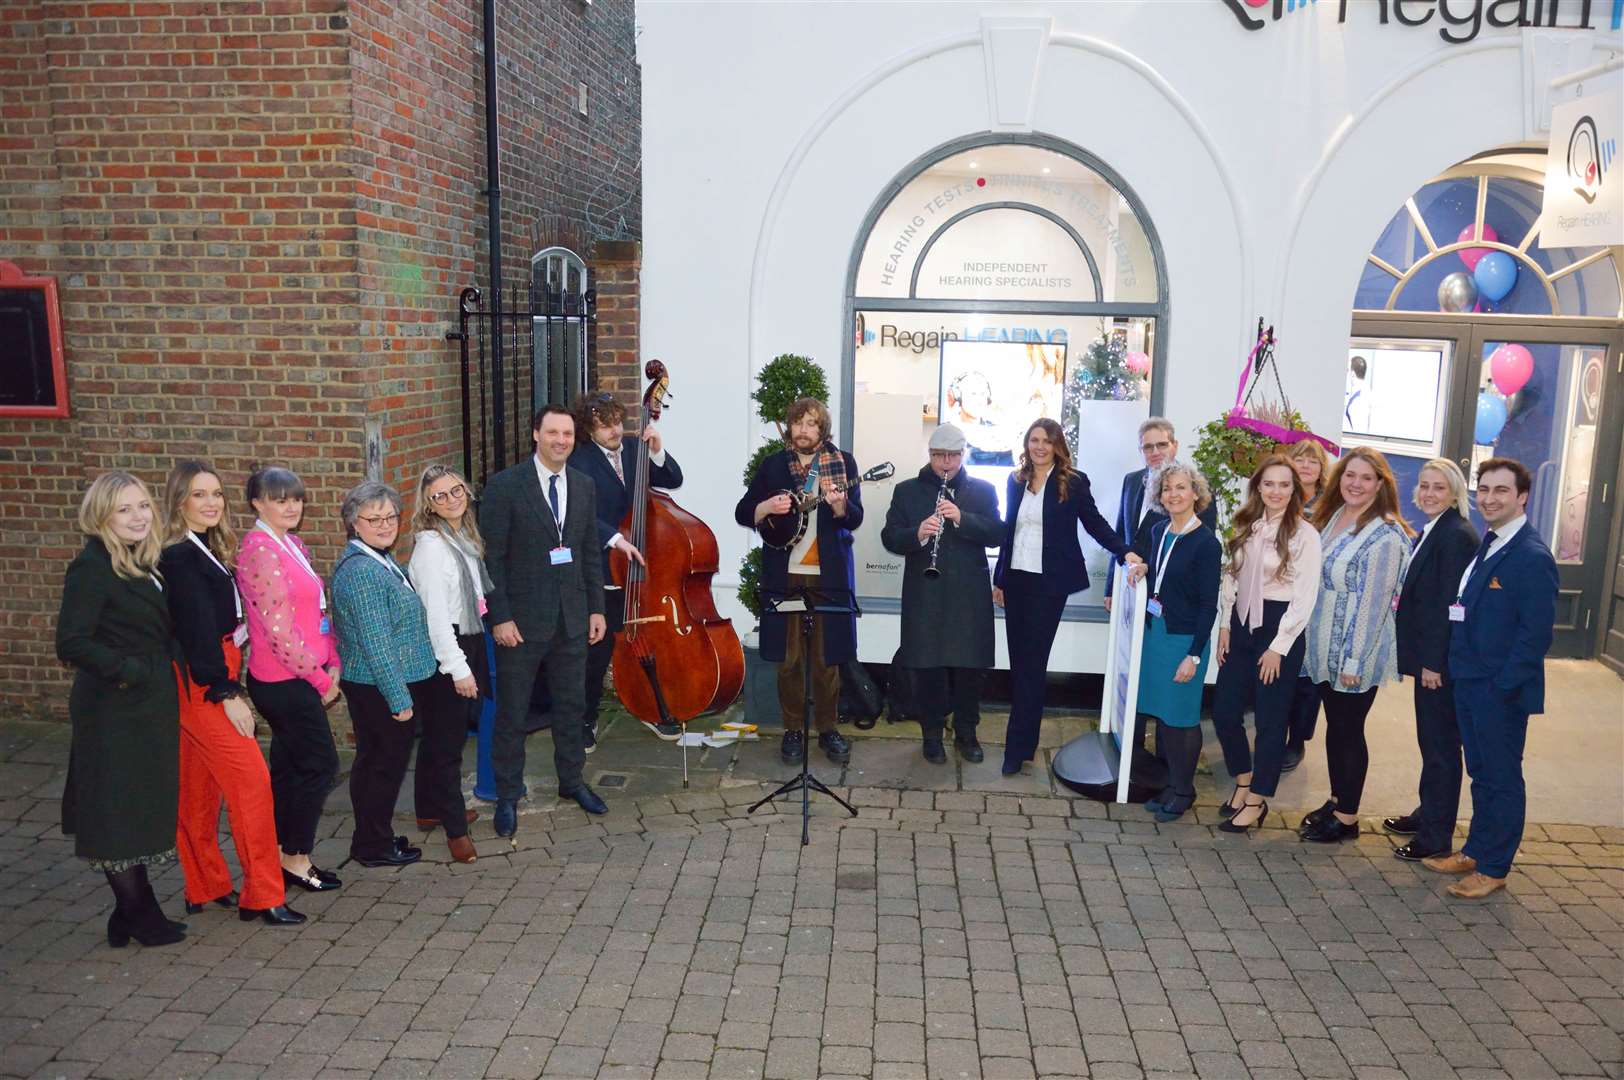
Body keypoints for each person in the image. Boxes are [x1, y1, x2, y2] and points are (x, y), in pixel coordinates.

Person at [159, 461, 302, 926]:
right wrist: (226, 692)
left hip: (207, 674)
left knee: (198, 787)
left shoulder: (201, 547)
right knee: (252, 784)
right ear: (179, 500)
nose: (211, 503)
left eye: (217, 494)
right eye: (199, 494)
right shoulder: (181, 556)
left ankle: (205, 884)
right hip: (204, 681)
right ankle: (262, 894)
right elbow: (196, 630)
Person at [56, 472, 186, 948]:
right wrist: (132, 670)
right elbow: (71, 642)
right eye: (124, 509)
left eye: (143, 506)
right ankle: (140, 914)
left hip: (145, 705)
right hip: (113, 707)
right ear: (102, 516)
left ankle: (130, 912)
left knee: (133, 808)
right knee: (115, 812)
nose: (138, 516)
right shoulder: (91, 567)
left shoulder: (140, 561)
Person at [1425, 458, 1557, 899]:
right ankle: (1477, 850)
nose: (1489, 498)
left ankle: (1495, 866)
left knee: (1501, 777)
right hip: (1470, 680)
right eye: (1484, 489)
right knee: (1481, 773)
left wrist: (1502, 687)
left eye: (1501, 490)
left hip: (1498, 689)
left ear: (1522, 497)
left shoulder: (1531, 556)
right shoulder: (1492, 541)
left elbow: (1535, 635)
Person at [483, 404, 610, 835]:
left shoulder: (584, 485)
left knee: (572, 707)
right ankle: (507, 794)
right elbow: (492, 560)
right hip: (520, 623)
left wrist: (596, 608)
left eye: (568, 434)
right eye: (552, 432)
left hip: (572, 620)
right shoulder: (505, 487)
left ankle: (571, 782)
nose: (561, 441)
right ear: (535, 434)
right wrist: (499, 617)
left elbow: (590, 551)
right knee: (513, 713)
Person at [992, 418, 1134, 776]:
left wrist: (1124, 552)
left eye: (1046, 441)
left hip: (1048, 585)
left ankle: (1016, 748)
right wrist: (999, 579)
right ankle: (1022, 745)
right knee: (1020, 664)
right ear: (1027, 444)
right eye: (1034, 440)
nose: (1039, 446)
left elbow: (1095, 522)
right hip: (1017, 581)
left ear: (1058, 446)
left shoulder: (1071, 482)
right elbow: (1009, 530)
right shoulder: (1016, 481)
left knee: (1032, 664)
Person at [735, 397, 863, 767]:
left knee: (827, 659)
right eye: (798, 423)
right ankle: (793, 729)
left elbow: (853, 518)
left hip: (829, 576)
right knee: (789, 659)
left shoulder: (843, 464)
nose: (804, 430)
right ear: (790, 428)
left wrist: (839, 506)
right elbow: (744, 510)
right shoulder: (775, 466)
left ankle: (827, 729)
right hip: (785, 574)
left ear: (823, 430)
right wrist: (765, 509)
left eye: (812, 424)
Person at [1299, 447, 1414, 843]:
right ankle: (1337, 799)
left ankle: (1347, 819)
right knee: (1336, 727)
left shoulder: (1385, 533)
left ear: (1380, 484)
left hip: (1355, 649)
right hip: (1324, 641)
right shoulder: (1331, 516)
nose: (1356, 484)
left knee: (1349, 730)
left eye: (1366, 478)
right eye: (1350, 475)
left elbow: (1373, 603)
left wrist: (1353, 658)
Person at [238, 466, 343, 895]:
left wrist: (332, 655)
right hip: (284, 682)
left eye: (295, 499)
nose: (291, 506)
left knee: (289, 770)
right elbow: (279, 633)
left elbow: (314, 612)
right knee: (320, 766)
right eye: (280, 499)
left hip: (304, 674)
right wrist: (321, 680)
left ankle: (280, 852)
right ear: (257, 503)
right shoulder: (261, 550)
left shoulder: (291, 543)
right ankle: (295, 859)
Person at [330, 480, 440, 869]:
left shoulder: (381, 559)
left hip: (381, 684)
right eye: (373, 518)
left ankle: (374, 836)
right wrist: (400, 700)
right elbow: (377, 645)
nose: (384, 524)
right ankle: (372, 846)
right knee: (381, 767)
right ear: (353, 523)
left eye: (390, 516)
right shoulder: (362, 572)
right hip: (377, 688)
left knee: (380, 763)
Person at [1210, 455, 1322, 834]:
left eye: (1284, 485)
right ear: (1258, 487)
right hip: (1241, 626)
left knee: (1271, 722)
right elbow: (1231, 577)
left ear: (1295, 491)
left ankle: (1258, 800)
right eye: (1269, 484)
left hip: (1279, 629)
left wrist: (1279, 646)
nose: (1276, 491)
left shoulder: (1305, 535)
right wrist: (1225, 624)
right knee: (1224, 712)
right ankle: (1243, 780)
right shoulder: (1246, 525)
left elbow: (1304, 598)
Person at [879, 423, 1002, 764]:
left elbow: (997, 533)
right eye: (938, 456)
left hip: (968, 594)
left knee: (969, 669)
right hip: (925, 593)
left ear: (963, 455)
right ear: (930, 455)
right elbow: (889, 536)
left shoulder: (983, 491)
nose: (945, 463)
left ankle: (967, 733)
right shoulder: (907, 491)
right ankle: (931, 735)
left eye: (952, 456)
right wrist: (917, 533)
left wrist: (962, 518)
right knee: (927, 668)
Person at [568, 391, 685, 744]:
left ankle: (653, 708)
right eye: (605, 426)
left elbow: (673, 479)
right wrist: (613, 539)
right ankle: (586, 720)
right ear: (590, 430)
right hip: (607, 566)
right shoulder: (579, 461)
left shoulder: (637, 448)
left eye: (617, 422)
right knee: (598, 650)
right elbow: (581, 513)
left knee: (647, 643)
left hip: (645, 569)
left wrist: (658, 450)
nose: (615, 431)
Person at [1386, 459, 1479, 862]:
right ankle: (1429, 813)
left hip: (1439, 665)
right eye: (1424, 486)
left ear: (1455, 492)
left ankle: (1435, 837)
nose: (1428, 493)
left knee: (1441, 747)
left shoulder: (1456, 535)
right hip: (1429, 658)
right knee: (1431, 742)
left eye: (1438, 487)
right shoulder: (1434, 528)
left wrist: (1433, 663)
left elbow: (1449, 604)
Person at [1123, 461, 1220, 822]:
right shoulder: (1161, 530)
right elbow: (1163, 571)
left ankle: (1185, 790)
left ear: (1196, 493)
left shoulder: (1206, 543)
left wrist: (1194, 655)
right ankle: (1169, 783)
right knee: (1163, 716)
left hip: (1184, 642)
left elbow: (1209, 605)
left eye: (1181, 488)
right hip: (1156, 635)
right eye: (1167, 489)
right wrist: (1147, 567)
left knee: (1181, 719)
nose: (1174, 494)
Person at [406, 464, 489, 862]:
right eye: (440, 495)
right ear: (429, 505)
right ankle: (456, 829)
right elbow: (436, 617)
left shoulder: (460, 537)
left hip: (468, 638)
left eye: (456, 490)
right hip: (448, 646)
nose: (452, 499)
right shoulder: (432, 549)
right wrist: (458, 669)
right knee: (448, 745)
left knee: (440, 735)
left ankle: (429, 809)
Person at [1105, 418, 1216, 613]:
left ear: (1175, 446)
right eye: (1148, 447)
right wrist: (1111, 586)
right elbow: (1120, 535)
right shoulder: (1131, 481)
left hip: (1171, 596)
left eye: (1162, 445)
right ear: (1141, 451)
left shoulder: (1195, 487)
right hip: (1128, 587)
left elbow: (1201, 547)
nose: (1155, 452)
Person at [1280, 437, 1332, 773]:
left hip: (1317, 597)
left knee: (1307, 674)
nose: (1307, 466)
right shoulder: (1280, 496)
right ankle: (1274, 732)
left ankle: (1296, 740)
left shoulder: (1333, 503)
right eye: (1300, 459)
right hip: (1281, 594)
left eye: (1313, 461)